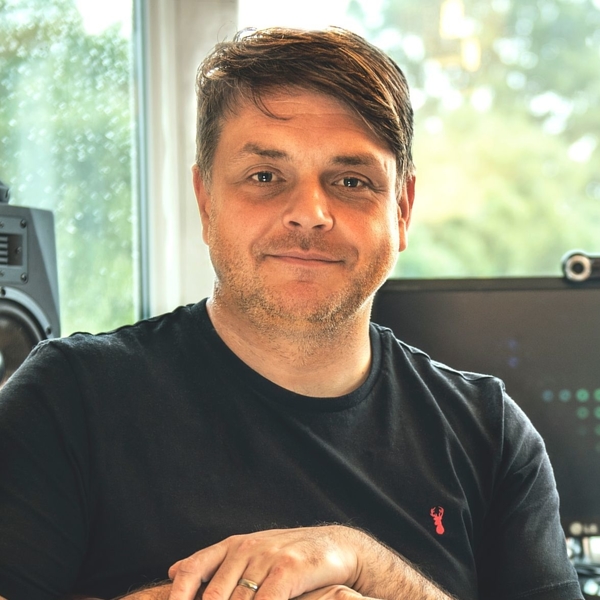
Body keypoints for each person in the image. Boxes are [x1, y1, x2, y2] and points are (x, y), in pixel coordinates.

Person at [0, 26, 583, 600]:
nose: (310, 213)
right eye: (265, 176)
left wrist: (367, 565)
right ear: (205, 201)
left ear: (402, 210)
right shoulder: (67, 399)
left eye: (351, 180)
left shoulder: (490, 434)